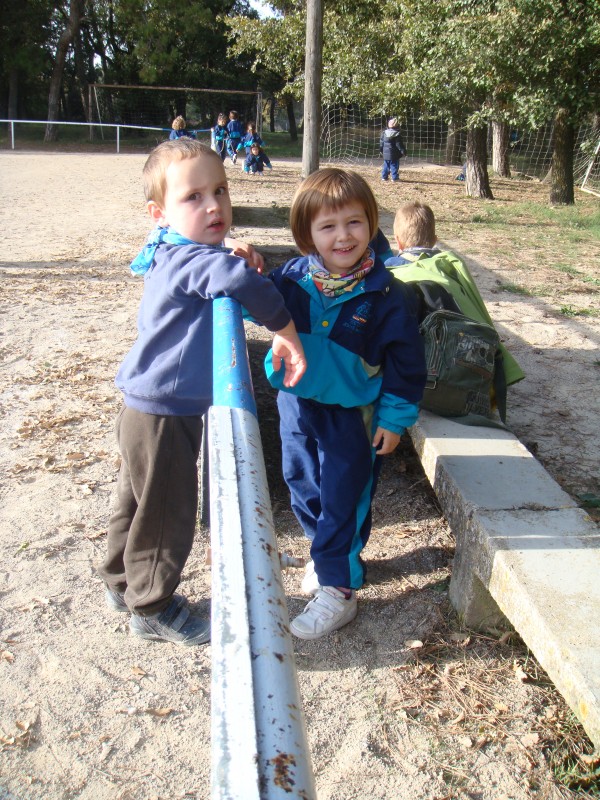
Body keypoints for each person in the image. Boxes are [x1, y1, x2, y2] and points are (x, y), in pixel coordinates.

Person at [98, 139, 306, 647]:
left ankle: (121, 581)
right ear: (160, 213)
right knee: (166, 510)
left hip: (146, 405)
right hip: (166, 413)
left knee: (139, 500)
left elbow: (223, 268)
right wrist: (285, 329)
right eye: (193, 197)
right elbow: (233, 279)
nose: (214, 206)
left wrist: (237, 255)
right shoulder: (187, 259)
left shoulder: (172, 249)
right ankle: (152, 606)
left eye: (220, 190)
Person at [264, 168, 427, 640]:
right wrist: (243, 262)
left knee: (344, 497)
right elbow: (254, 299)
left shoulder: (387, 295)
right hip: (296, 402)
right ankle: (324, 555)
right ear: (307, 234)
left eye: (354, 222)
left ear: (372, 224)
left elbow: (407, 366)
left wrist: (394, 419)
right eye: (328, 226)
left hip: (352, 414)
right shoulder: (292, 279)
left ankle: (339, 587)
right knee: (301, 481)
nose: (343, 236)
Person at [385, 201, 525, 389]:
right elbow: (474, 305)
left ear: (398, 241)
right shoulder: (451, 267)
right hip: (457, 360)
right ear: (435, 240)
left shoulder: (391, 272)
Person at [379, 117, 406, 183]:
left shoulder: (384, 133)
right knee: (394, 165)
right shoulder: (397, 134)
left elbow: (381, 143)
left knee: (386, 165)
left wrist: (381, 150)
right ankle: (395, 178)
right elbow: (399, 144)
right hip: (394, 154)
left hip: (385, 153)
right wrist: (403, 151)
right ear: (397, 125)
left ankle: (384, 177)